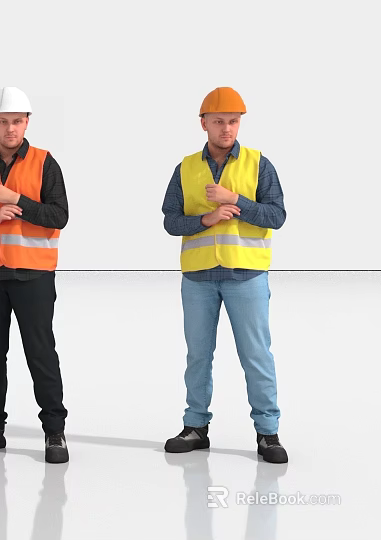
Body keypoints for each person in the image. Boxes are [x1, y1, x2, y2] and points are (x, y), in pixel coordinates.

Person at [161, 87, 288, 464]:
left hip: (247, 276)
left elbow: (276, 216)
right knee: (198, 355)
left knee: (256, 355)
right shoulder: (185, 168)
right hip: (199, 278)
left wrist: (236, 201)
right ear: (204, 124)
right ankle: (195, 427)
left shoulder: (258, 163)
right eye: (219, 121)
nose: (227, 128)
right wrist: (205, 219)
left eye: (233, 121)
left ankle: (268, 433)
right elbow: (170, 221)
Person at [0, 87, 71, 464]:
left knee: (40, 353)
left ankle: (54, 432)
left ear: (27, 123)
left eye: (16, 122)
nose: (10, 129)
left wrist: (15, 200)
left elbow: (59, 216)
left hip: (34, 274)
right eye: (3, 122)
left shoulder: (44, 162)